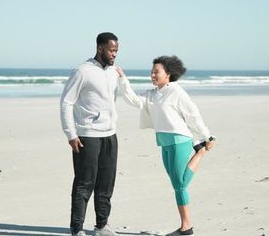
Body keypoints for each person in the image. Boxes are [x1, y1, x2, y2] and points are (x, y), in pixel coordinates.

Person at [116, 56, 215, 236]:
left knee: (180, 184)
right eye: (152, 72)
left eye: (156, 72)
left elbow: (192, 114)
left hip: (180, 139)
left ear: (168, 74)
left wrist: (206, 135)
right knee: (176, 184)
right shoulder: (152, 94)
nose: (153, 75)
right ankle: (186, 227)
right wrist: (122, 78)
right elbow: (132, 99)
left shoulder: (176, 92)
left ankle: (187, 227)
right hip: (164, 142)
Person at [60, 32, 121, 236]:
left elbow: (112, 100)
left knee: (106, 183)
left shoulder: (113, 72)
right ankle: (77, 229)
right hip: (87, 135)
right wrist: (71, 134)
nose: (114, 55)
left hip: (110, 135)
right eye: (111, 50)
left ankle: (102, 226)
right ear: (100, 48)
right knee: (84, 184)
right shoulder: (82, 71)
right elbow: (66, 102)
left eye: (116, 51)